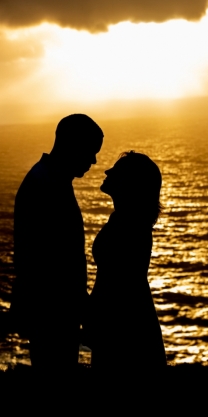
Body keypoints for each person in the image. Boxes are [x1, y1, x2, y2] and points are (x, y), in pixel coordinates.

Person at [11, 113, 103, 380]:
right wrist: (78, 304)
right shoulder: (45, 185)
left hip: (55, 307)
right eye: (91, 151)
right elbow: (45, 259)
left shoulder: (50, 180)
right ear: (73, 145)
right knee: (54, 379)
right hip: (52, 309)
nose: (94, 160)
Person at [88, 151, 166, 374]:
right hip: (123, 321)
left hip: (125, 327)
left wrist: (96, 317)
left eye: (117, 170)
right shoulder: (122, 218)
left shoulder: (130, 225)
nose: (107, 171)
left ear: (131, 183)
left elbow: (120, 284)